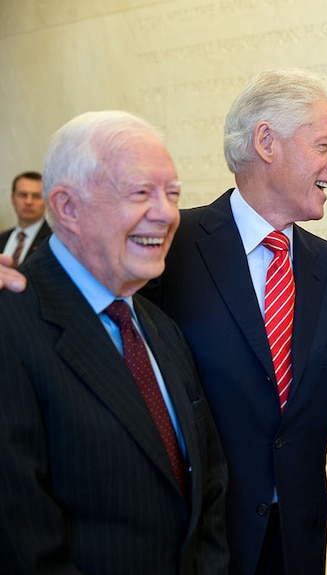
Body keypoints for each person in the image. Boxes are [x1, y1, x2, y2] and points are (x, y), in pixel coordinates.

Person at [0, 111, 229, 574]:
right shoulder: (10, 323)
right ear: (67, 207)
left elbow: (208, 487)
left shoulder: (160, 328)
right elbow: (21, 542)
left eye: (173, 194)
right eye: (141, 192)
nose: (167, 213)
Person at [1, 171, 51, 267]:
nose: (29, 201)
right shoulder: (2, 238)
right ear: (13, 198)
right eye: (23, 195)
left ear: (46, 200)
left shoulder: (53, 242)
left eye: (36, 196)